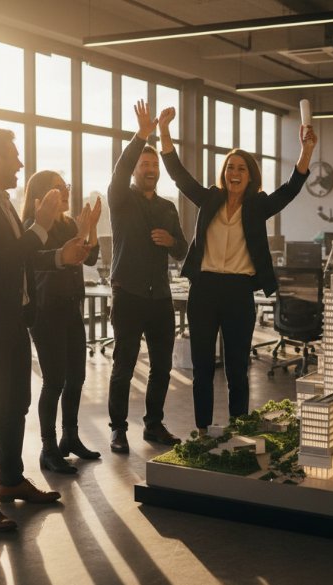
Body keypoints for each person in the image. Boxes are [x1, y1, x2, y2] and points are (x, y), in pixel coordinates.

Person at [0, 128, 89, 531]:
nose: (20, 164)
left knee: (16, 406)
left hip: (13, 319)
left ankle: (9, 482)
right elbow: (1, 260)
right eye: (13, 156)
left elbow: (22, 258)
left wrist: (60, 256)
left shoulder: (2, 203)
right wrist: (42, 224)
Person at [158, 106, 316, 434]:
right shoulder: (209, 199)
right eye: (230, 166)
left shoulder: (258, 206)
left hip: (239, 292)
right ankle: (202, 430)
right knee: (202, 368)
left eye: (241, 167)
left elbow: (289, 189)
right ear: (224, 172)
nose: (234, 172)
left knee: (237, 369)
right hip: (204, 289)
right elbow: (179, 176)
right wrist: (163, 131)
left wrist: (307, 150)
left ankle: (239, 430)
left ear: (250, 174)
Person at [105, 100, 189, 454]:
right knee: (123, 366)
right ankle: (118, 429)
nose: (151, 168)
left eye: (155, 165)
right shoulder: (121, 198)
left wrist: (172, 242)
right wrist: (141, 135)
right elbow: (120, 169)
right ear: (136, 169)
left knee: (161, 368)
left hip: (159, 299)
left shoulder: (168, 207)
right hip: (128, 295)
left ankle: (153, 425)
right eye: (145, 164)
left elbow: (183, 250)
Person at [19, 171, 103, 473]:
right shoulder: (33, 228)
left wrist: (90, 229)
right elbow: (45, 260)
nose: (64, 191)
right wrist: (80, 237)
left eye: (65, 186)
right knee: (54, 380)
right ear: (41, 196)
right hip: (45, 312)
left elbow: (88, 259)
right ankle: (48, 448)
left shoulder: (68, 223)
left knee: (76, 378)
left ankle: (70, 438)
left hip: (70, 308)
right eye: (57, 188)